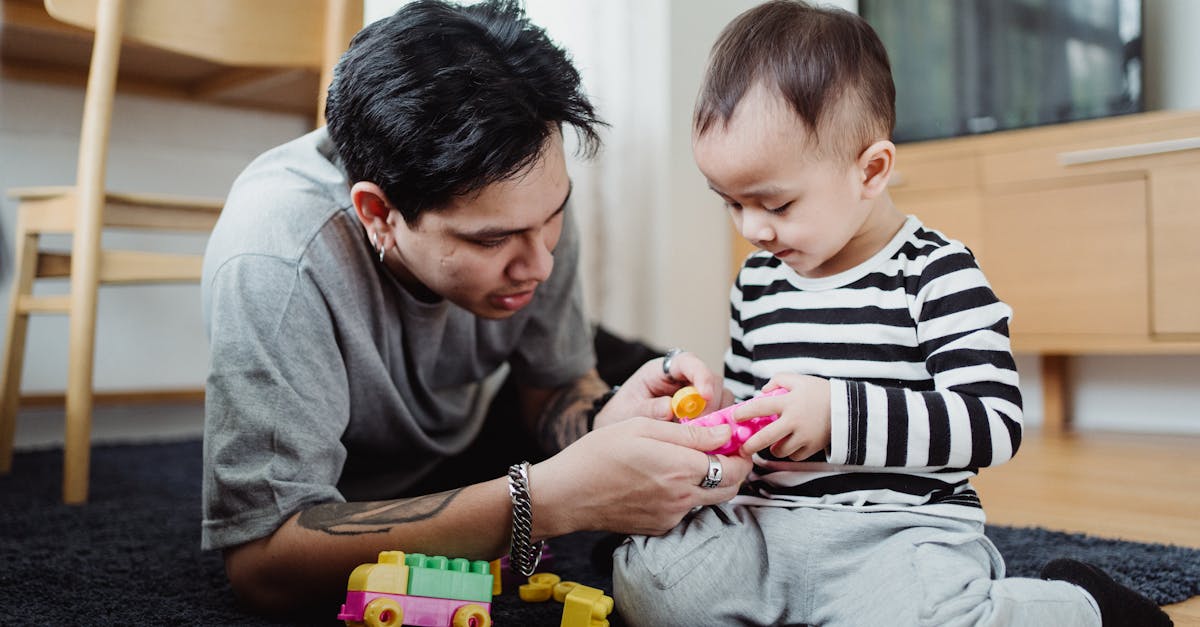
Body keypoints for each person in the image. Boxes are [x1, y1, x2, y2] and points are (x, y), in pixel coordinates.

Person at [610, 2, 1173, 626]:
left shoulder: (937, 273)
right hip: (767, 529)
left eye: (775, 203)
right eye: (731, 205)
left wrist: (836, 416)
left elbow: (992, 422)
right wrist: (714, 432)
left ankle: (1082, 605)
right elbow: (750, 414)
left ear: (871, 170)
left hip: (892, 534)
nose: (752, 229)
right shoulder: (758, 280)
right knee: (652, 587)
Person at [199, 0, 752, 614]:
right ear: (378, 214)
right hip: (351, 486)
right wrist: (547, 499)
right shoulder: (276, 259)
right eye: (490, 240)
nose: (539, 263)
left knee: (679, 408)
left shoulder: (529, 206)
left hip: (480, 417)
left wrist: (601, 420)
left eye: (553, 218)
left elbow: (556, 386)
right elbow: (263, 563)